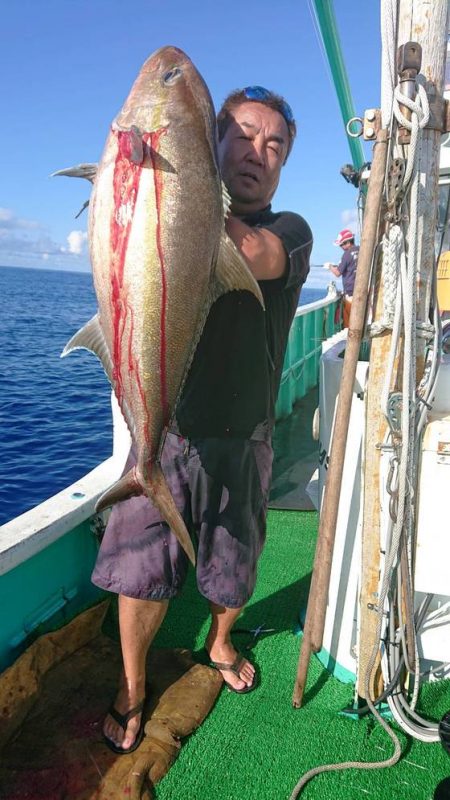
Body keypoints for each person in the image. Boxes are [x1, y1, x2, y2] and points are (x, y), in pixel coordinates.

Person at [93, 85, 313, 753]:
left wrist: (176, 190)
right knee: (139, 569)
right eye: (243, 135)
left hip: (245, 437)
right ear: (215, 142)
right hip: (169, 428)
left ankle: (219, 644)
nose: (258, 152)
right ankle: (132, 685)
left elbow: (256, 257)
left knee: (234, 563)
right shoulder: (170, 210)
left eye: (273, 145)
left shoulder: (291, 231)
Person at [325, 228, 359, 327]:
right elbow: (352, 266)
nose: (341, 247)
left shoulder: (347, 255)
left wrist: (330, 267)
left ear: (348, 242)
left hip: (351, 294)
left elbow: (338, 273)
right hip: (364, 291)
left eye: (342, 244)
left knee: (350, 324)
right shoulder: (360, 250)